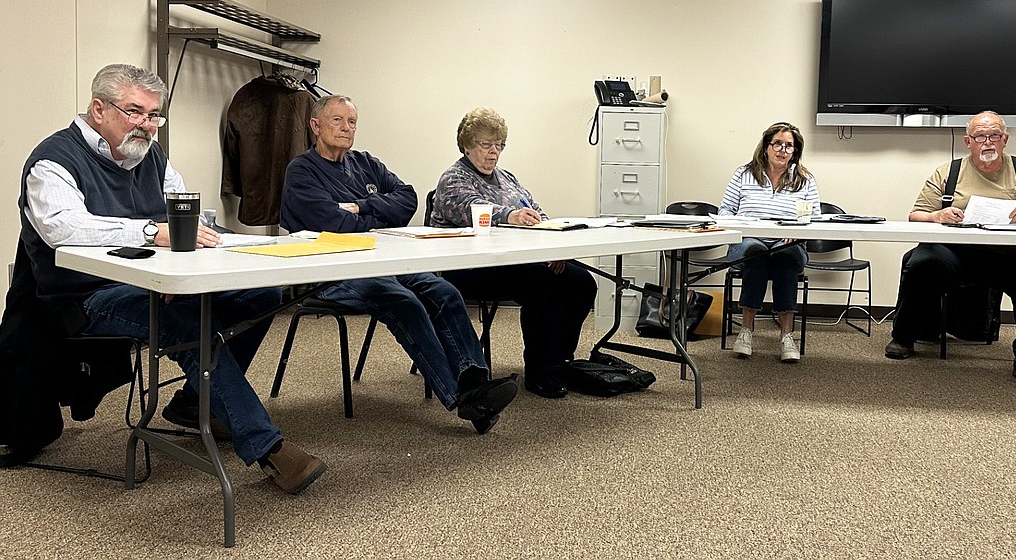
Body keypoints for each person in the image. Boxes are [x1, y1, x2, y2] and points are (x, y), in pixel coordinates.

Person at [15, 64, 325, 492]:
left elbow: (183, 211)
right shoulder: (53, 161)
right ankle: (268, 447)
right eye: (135, 113)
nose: (147, 126)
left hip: (150, 283)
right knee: (186, 324)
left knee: (262, 293)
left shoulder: (151, 155)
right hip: (83, 298)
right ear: (98, 109)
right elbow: (65, 229)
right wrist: (150, 231)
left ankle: (195, 403)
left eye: (155, 115)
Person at [280, 95, 517, 434]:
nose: (347, 129)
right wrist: (377, 217)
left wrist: (359, 207)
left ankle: (476, 379)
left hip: (385, 258)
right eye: (337, 121)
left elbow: (406, 199)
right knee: (403, 302)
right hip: (332, 269)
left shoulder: (365, 163)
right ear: (315, 126)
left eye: (352, 122)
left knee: (443, 290)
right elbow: (331, 223)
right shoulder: (301, 171)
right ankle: (461, 398)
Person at [885, 111, 1016, 388]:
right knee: (922, 262)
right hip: (954, 251)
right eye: (980, 137)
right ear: (968, 142)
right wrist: (938, 216)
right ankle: (904, 336)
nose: (988, 143)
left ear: (1005, 139)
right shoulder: (949, 171)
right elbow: (916, 214)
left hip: (1009, 253)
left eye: (994, 136)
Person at [430, 107, 597, 398]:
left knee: (581, 281)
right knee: (543, 283)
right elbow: (472, 209)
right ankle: (541, 371)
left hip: (513, 261)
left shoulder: (507, 177)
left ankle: (559, 358)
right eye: (485, 145)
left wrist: (552, 246)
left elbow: (537, 213)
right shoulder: (453, 178)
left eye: (499, 145)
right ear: (467, 145)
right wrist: (511, 215)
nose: (493, 152)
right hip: (470, 267)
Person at [717, 122, 820, 362]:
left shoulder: (804, 179)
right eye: (777, 144)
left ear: (795, 151)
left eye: (789, 146)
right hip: (749, 241)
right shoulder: (743, 174)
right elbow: (724, 211)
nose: (782, 150)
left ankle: (786, 336)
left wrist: (799, 230)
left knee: (784, 260)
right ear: (766, 147)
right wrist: (736, 219)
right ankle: (746, 331)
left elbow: (814, 217)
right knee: (757, 256)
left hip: (788, 243)